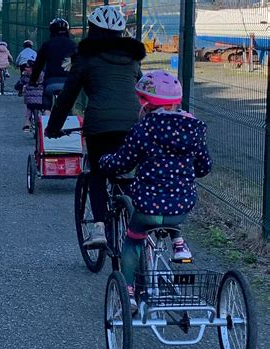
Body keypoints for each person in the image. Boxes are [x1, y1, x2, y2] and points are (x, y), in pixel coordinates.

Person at [99, 70, 212, 310]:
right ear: (176, 102)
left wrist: (105, 162)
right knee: (173, 199)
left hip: (148, 206)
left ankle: (128, 292)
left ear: (144, 102)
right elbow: (204, 167)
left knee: (133, 240)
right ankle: (178, 243)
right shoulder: (194, 129)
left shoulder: (144, 130)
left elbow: (123, 162)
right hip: (181, 206)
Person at [44, 6, 146, 248]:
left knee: (98, 173)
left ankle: (99, 228)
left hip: (99, 124)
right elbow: (142, 89)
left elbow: (68, 94)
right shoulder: (132, 59)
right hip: (133, 123)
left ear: (92, 30)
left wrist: (53, 127)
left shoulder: (85, 57)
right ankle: (136, 220)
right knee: (127, 170)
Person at [29, 18, 77, 113]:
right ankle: (70, 117)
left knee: (47, 98)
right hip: (68, 82)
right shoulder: (73, 45)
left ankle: (46, 115)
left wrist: (33, 81)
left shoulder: (47, 45)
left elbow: (38, 64)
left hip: (51, 81)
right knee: (68, 103)